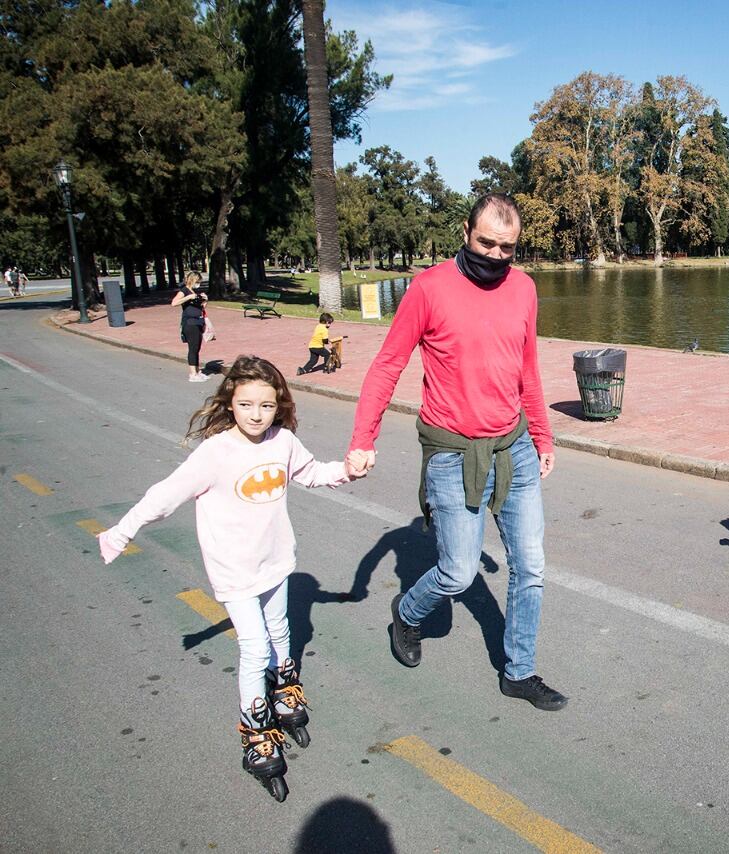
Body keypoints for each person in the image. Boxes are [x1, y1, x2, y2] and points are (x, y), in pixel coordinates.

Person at [97, 355, 365, 799]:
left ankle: (285, 690)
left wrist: (346, 471)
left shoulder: (282, 441)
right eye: (246, 405)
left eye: (266, 405)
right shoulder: (216, 452)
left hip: (276, 559)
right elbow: (166, 495)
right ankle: (256, 730)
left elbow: (312, 473)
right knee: (255, 648)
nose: (256, 414)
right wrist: (123, 529)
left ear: (278, 405)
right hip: (235, 569)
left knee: (281, 629)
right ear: (230, 403)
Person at [346, 193, 567, 711]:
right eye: (485, 242)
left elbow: (526, 370)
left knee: (531, 565)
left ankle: (519, 671)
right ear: (466, 232)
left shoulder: (525, 289)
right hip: (451, 452)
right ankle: (407, 613)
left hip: (514, 449)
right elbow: (387, 366)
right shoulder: (429, 288)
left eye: (506, 247)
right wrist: (363, 438)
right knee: (460, 572)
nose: (494, 254)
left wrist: (543, 434)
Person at [173, 272, 209, 382]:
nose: (199, 284)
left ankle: (197, 371)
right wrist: (188, 297)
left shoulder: (194, 291)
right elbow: (174, 303)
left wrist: (205, 300)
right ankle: (193, 374)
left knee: (197, 348)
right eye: (197, 281)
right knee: (193, 348)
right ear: (192, 280)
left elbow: (201, 308)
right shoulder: (184, 291)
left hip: (198, 322)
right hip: (190, 323)